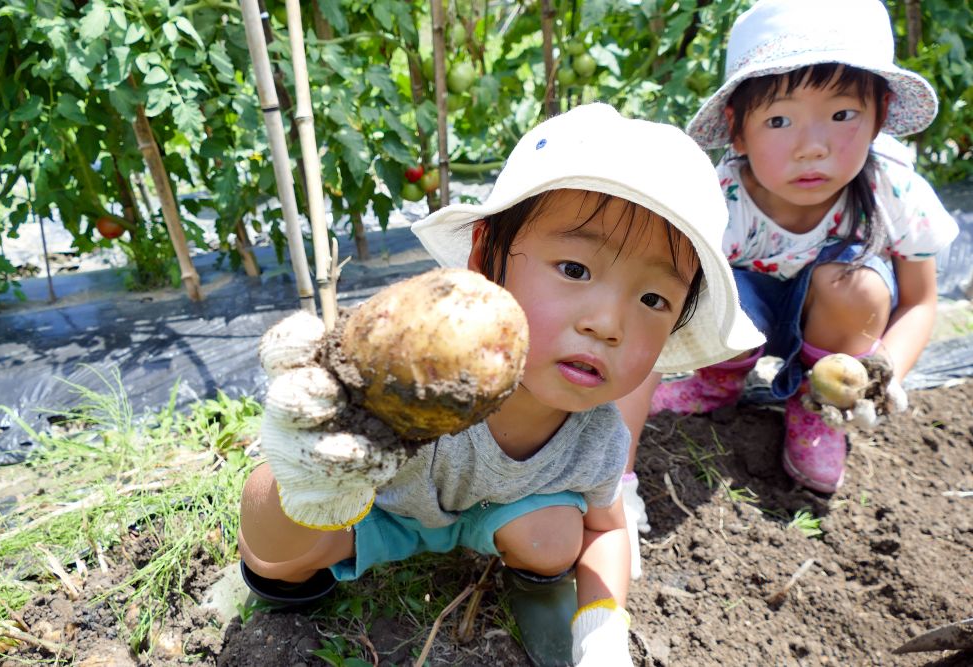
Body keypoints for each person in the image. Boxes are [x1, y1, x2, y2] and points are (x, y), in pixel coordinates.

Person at [237, 103, 763, 666]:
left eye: (653, 300)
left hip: (498, 515)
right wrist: (304, 477)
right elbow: (284, 511)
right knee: (284, 551)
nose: (607, 324)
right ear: (488, 257)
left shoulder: (597, 437)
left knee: (556, 537)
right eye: (575, 270)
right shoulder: (421, 371)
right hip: (379, 510)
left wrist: (602, 628)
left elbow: (608, 530)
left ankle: (535, 583)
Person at [629, 0, 959, 495]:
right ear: (737, 129)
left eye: (842, 114)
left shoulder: (893, 190)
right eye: (780, 121)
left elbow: (919, 300)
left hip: (837, 333)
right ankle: (718, 382)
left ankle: (815, 410)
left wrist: (883, 370)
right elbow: (657, 297)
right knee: (707, 283)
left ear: (880, 116)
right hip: (745, 321)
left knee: (859, 286)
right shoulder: (720, 199)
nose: (812, 147)